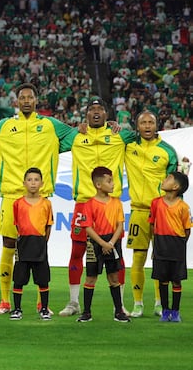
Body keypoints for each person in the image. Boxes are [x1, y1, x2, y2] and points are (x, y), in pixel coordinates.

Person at [0, 83, 76, 315]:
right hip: (12, 195)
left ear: (36, 101)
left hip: (39, 197)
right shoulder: (4, 126)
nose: (25, 101)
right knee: (9, 246)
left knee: (39, 247)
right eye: (21, 97)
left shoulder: (50, 125)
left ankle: (42, 303)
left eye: (29, 97)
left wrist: (56, 149)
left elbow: (76, 135)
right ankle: (5, 301)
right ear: (16, 101)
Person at [60, 98, 134, 317]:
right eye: (91, 109)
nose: (95, 112)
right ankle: (73, 303)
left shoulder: (119, 135)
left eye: (100, 109)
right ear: (85, 115)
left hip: (111, 204)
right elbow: (50, 141)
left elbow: (145, 136)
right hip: (84, 203)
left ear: (106, 113)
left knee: (116, 255)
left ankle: (118, 305)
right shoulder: (76, 136)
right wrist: (75, 129)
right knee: (77, 252)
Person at [125, 110, 178, 318]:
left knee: (160, 258)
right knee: (138, 257)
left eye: (151, 122)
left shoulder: (167, 151)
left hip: (161, 212)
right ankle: (138, 304)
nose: (147, 126)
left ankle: (159, 302)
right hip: (138, 210)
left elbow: (176, 182)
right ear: (137, 126)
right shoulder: (128, 146)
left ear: (157, 125)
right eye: (143, 122)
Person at [77, 167, 131, 323]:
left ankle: (119, 311)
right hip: (95, 243)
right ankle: (86, 312)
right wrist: (102, 243)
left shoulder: (117, 203)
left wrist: (111, 243)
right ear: (98, 185)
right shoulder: (89, 204)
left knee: (114, 277)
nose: (113, 184)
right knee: (90, 278)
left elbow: (120, 225)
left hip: (113, 243)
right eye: (109, 181)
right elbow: (87, 227)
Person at [10, 168, 53, 321]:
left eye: (36, 180)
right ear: (24, 183)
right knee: (19, 278)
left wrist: (42, 241)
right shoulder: (18, 204)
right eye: (29, 180)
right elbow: (17, 224)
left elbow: (48, 225)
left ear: (41, 183)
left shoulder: (46, 204)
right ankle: (17, 309)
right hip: (23, 244)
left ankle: (44, 309)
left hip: (39, 244)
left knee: (42, 279)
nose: (33, 183)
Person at [149, 172, 190, 322]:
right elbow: (152, 225)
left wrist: (179, 246)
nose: (164, 180)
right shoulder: (155, 203)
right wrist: (156, 246)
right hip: (160, 245)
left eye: (168, 179)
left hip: (177, 246)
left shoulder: (184, 207)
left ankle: (176, 311)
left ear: (175, 186)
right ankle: (165, 311)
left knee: (176, 280)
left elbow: (187, 230)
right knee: (162, 279)